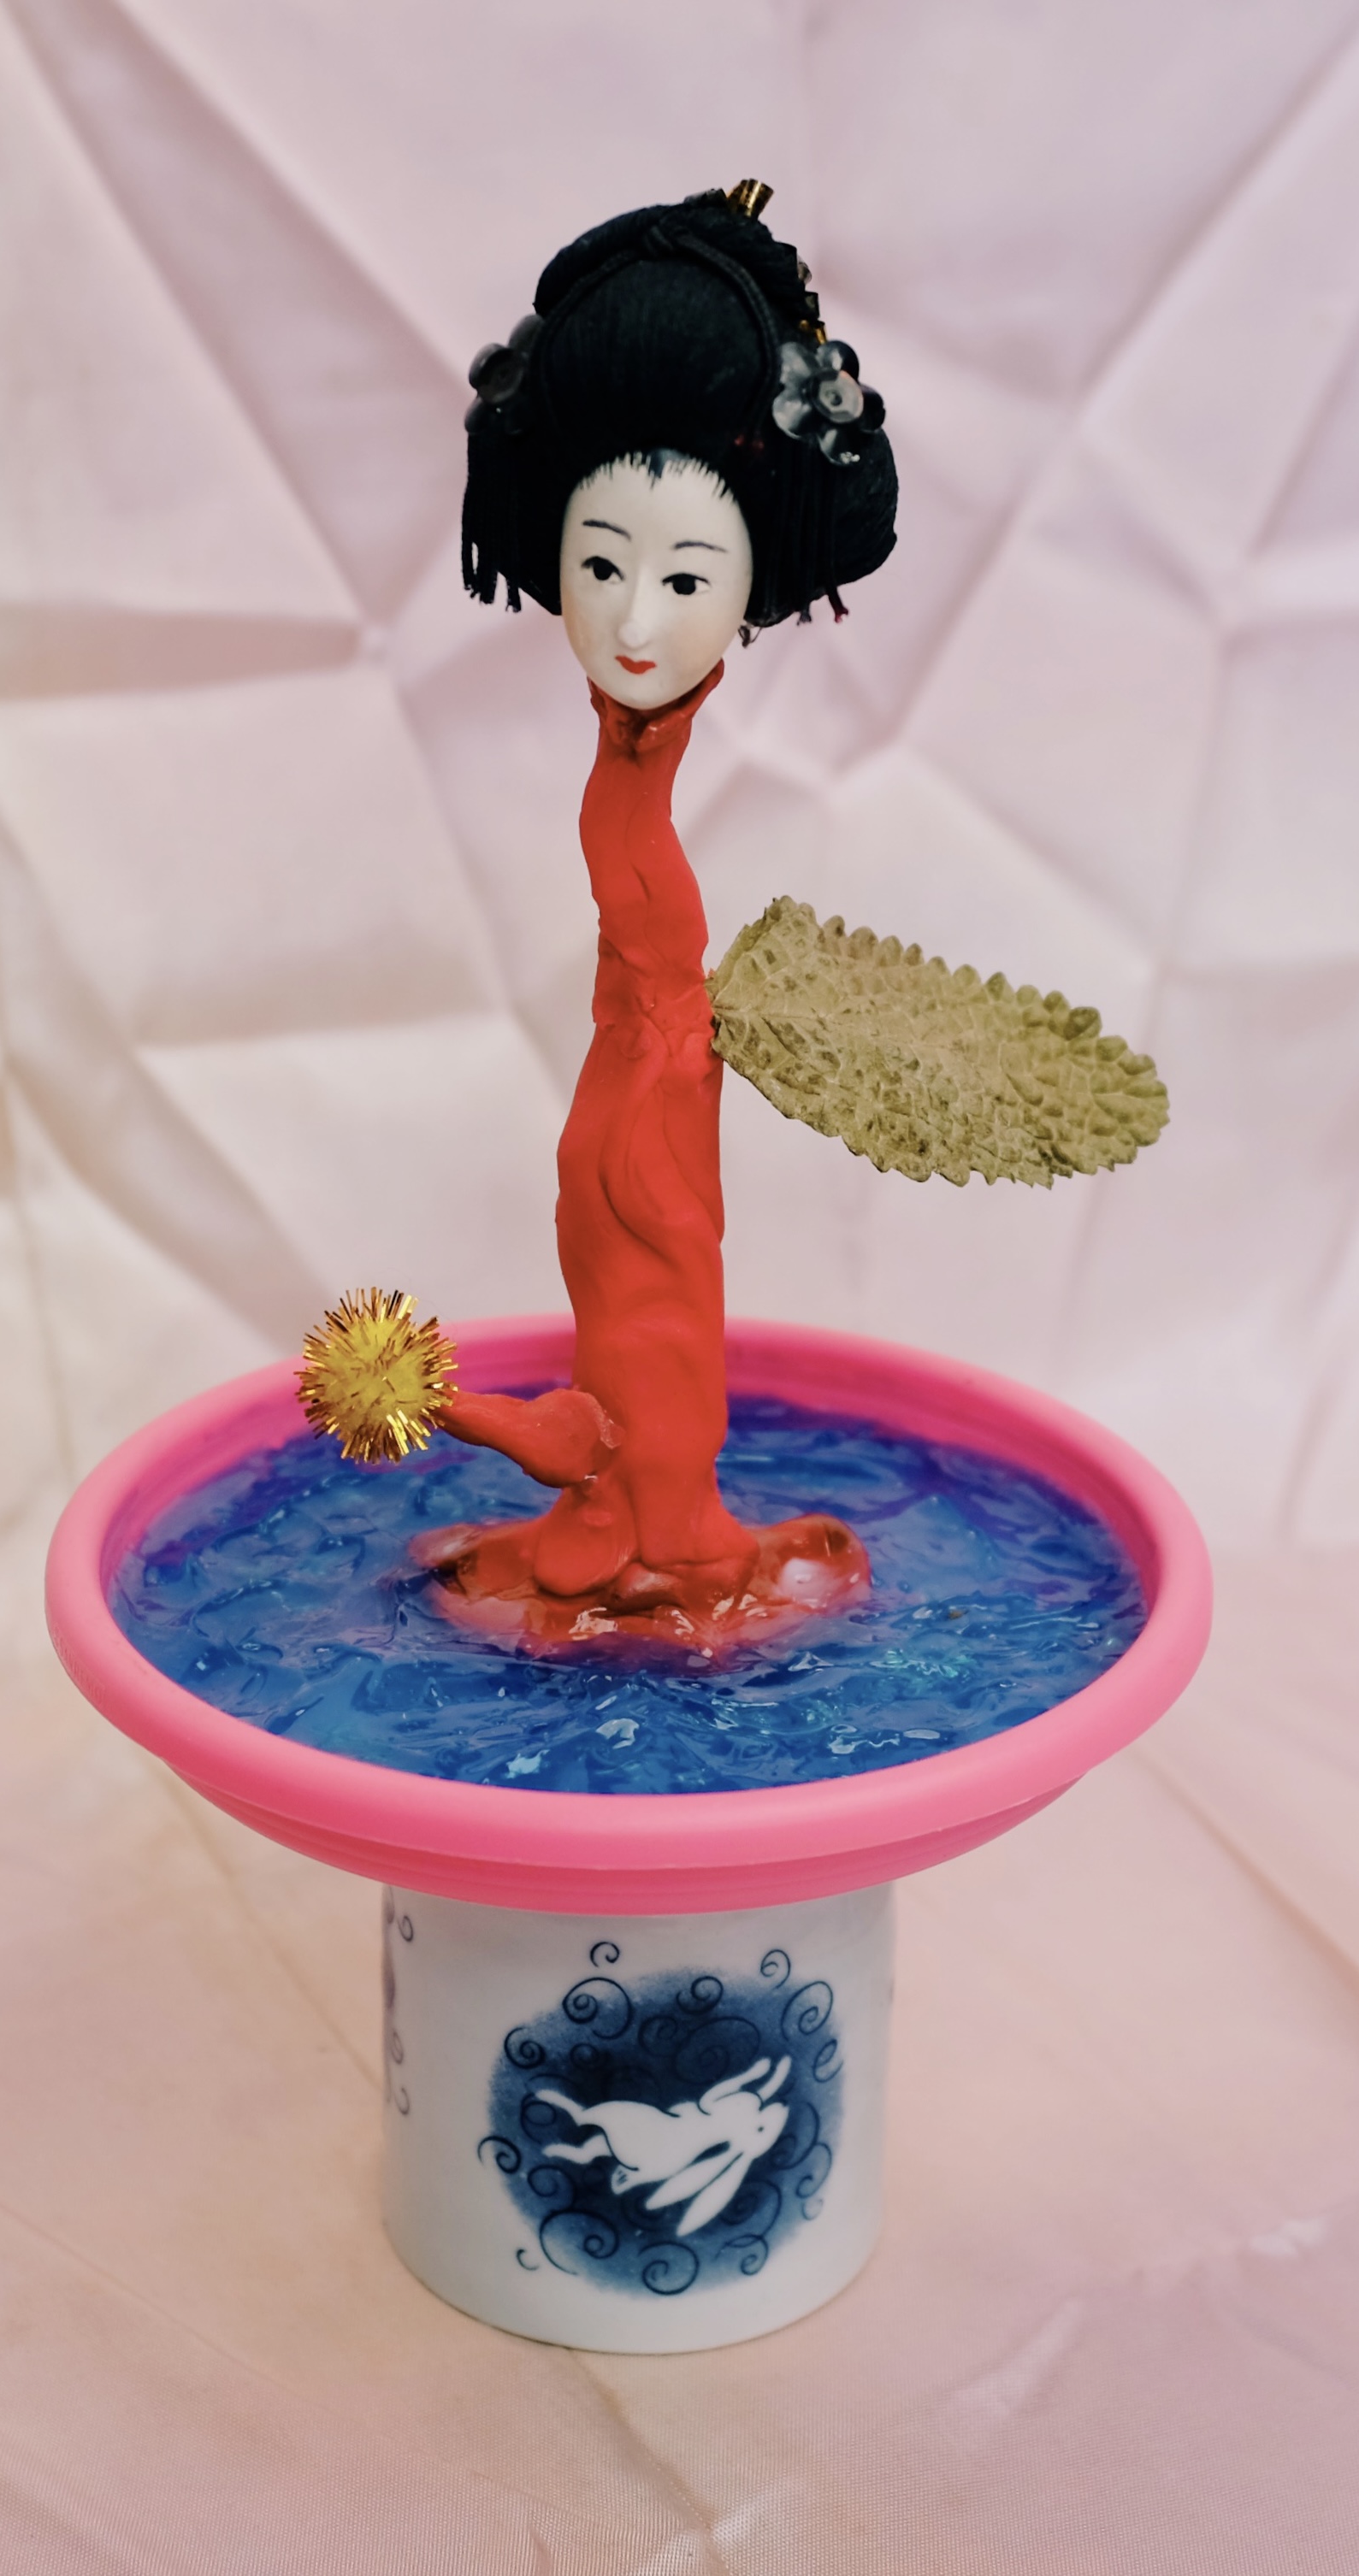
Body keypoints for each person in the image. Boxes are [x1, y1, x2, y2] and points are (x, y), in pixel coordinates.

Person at [416, 184, 899, 1641]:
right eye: (601, 564)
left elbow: (563, 1432)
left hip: (658, 1072)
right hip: (644, 1068)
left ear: (746, 581)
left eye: (684, 576)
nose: (633, 620)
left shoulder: (604, 1446)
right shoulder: (622, 790)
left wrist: (429, 1394)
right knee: (632, 1187)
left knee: (646, 1204)